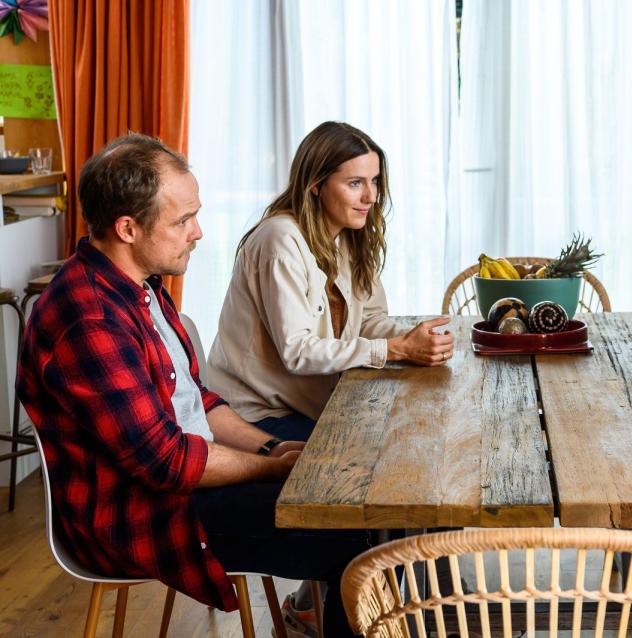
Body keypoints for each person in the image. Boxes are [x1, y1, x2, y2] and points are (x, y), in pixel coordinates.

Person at [16, 133, 370, 636]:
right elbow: (167, 461)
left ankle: (320, 618)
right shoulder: (89, 318)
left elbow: (198, 401)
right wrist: (270, 469)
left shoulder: (142, 287)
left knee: (354, 493)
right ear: (127, 228)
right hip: (146, 517)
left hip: (182, 486)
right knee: (353, 528)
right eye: (183, 220)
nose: (198, 232)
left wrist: (273, 445)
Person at [208, 121, 454, 442]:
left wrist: (416, 340)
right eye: (355, 183)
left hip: (308, 404)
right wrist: (393, 350)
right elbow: (297, 351)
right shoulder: (280, 240)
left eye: (375, 181)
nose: (370, 196)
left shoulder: (347, 235)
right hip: (256, 415)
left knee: (411, 430)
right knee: (372, 452)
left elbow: (367, 321)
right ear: (315, 184)